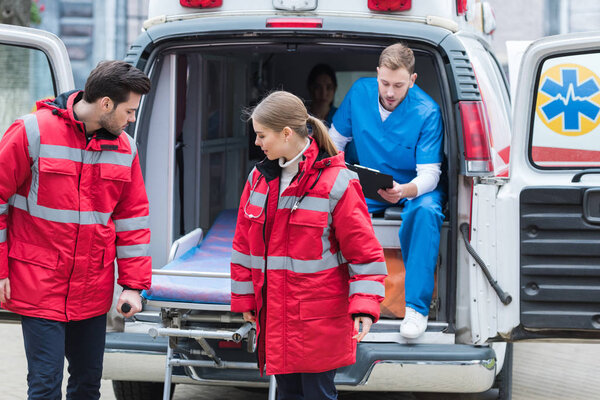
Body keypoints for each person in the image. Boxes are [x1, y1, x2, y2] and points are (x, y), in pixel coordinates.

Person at [0, 60, 152, 400]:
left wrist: (132, 286)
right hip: (40, 285)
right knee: (45, 386)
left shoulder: (126, 149)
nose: (132, 119)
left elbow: (132, 220)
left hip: (92, 289)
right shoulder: (32, 131)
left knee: (88, 386)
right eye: (129, 111)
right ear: (106, 104)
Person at [230, 91, 387, 400]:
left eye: (262, 135)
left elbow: (365, 253)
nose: (258, 143)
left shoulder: (338, 182)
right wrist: (247, 299)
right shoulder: (258, 179)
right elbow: (242, 246)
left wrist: (365, 307)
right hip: (276, 318)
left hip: (319, 324)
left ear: (286, 133)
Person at [329, 43, 445, 339]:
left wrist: (405, 190)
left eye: (399, 85)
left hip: (414, 187)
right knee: (327, 209)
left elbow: (430, 174)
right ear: (377, 73)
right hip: (368, 184)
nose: (390, 92)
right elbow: (334, 144)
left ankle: (416, 309)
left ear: (413, 80)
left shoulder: (427, 111)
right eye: (385, 83)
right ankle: (332, 301)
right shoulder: (359, 93)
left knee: (426, 211)